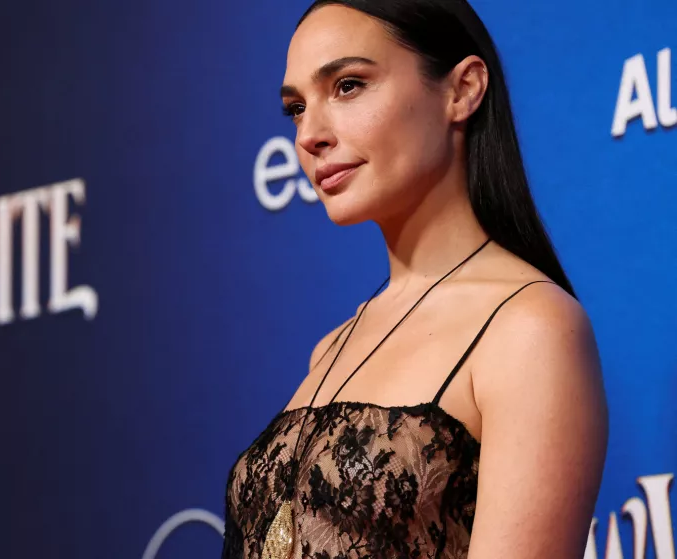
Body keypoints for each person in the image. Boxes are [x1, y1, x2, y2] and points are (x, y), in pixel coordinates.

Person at [221, 1, 609, 557]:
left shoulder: (529, 329)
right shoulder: (330, 350)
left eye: (349, 85)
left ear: (463, 90)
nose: (310, 134)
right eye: (296, 108)